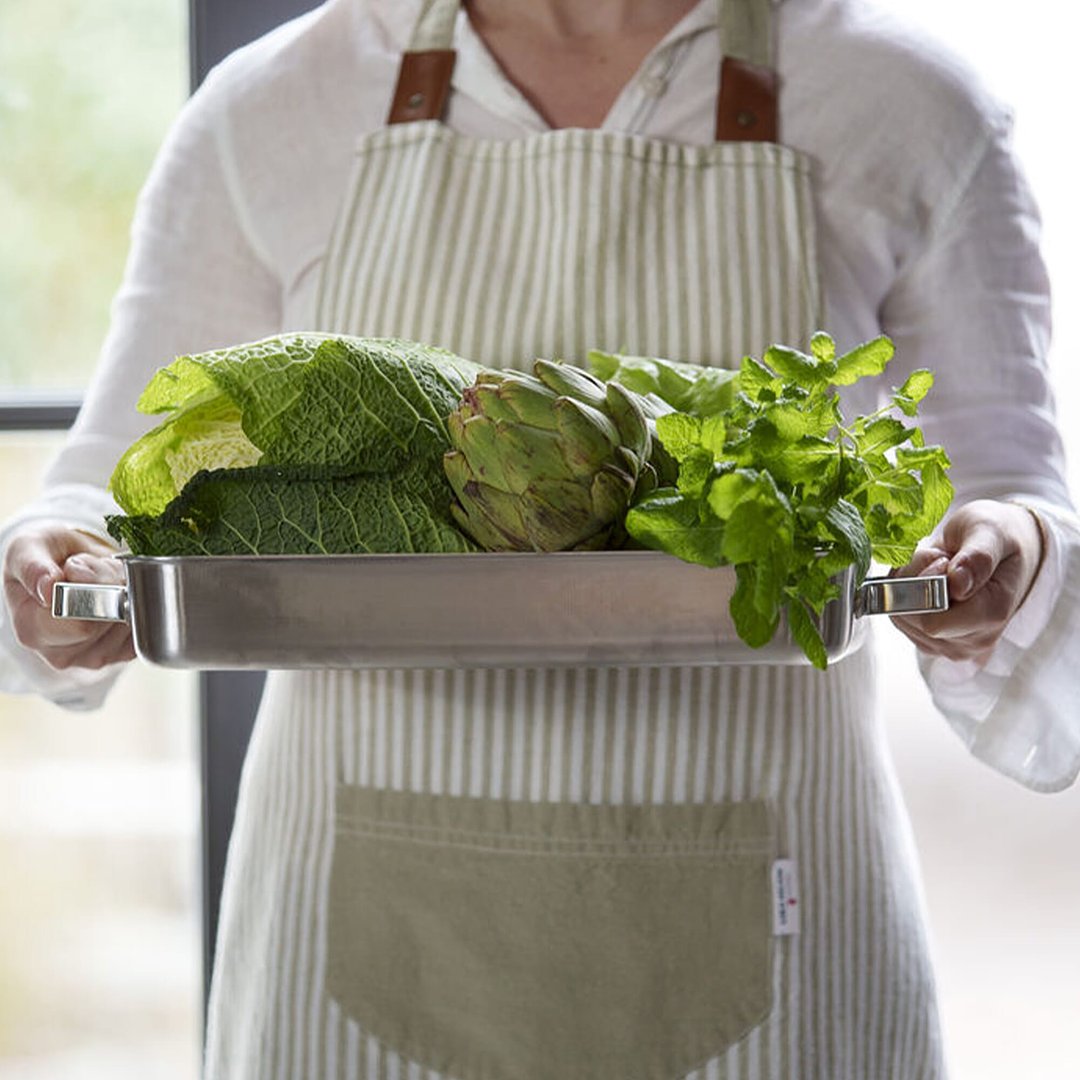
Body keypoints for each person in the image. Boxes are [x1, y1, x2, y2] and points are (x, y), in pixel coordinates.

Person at [2, 0, 1078, 1076]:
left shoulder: (907, 100)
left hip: (779, 906)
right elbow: (117, 473)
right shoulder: (274, 103)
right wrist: (58, 560)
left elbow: (1010, 480)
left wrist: (1009, 553)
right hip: (355, 916)